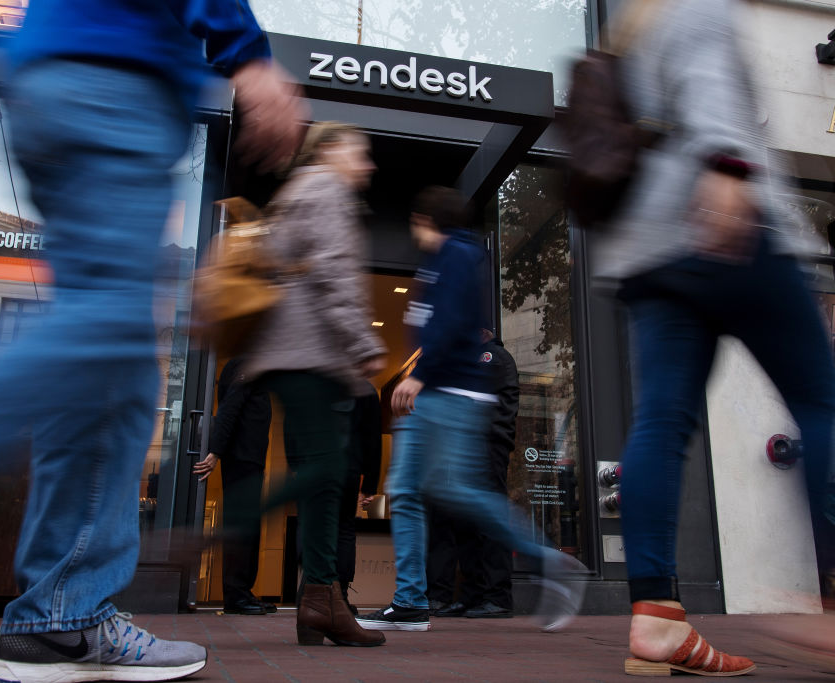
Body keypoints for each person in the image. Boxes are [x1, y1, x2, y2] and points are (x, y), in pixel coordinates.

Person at [0, 1, 306, 682]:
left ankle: (59, 618)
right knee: (104, 339)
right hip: (111, 86)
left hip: (67, 77)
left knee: (112, 376)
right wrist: (247, 53)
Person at [590, 0, 835, 675]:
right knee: (822, 401)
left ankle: (656, 619)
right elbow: (709, 85)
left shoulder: (630, 31)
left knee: (661, 423)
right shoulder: (696, 6)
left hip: (649, 251)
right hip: (728, 224)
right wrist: (728, 164)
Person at [356, 186, 585, 633]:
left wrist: (421, 374)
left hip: (449, 392)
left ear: (426, 219)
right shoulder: (442, 260)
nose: (413, 228)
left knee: (454, 492)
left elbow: (455, 322)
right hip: (445, 391)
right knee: (414, 491)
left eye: (416, 220)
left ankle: (548, 562)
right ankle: (410, 601)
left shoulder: (457, 255)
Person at [243, 121, 388, 647]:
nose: (367, 164)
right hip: (313, 359)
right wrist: (364, 343)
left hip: (294, 358)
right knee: (327, 474)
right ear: (329, 150)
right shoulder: (326, 187)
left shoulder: (296, 190)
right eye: (359, 152)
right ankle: (219, 530)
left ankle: (321, 604)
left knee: (323, 485)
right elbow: (333, 273)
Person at [427, 334, 519, 619]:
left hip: (486, 447)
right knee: (468, 524)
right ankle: (473, 596)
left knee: (489, 523)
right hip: (471, 448)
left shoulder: (491, 357)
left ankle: (497, 597)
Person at [192, 357, 274, 615]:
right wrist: (215, 451)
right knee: (241, 528)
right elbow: (230, 407)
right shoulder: (245, 365)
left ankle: (242, 592)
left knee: (248, 527)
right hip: (242, 457)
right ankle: (236, 596)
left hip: (249, 458)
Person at [335, 383, 384, 614]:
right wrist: (370, 484)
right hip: (348, 468)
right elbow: (372, 438)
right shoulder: (365, 388)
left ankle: (312, 592)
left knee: (313, 528)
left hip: (315, 466)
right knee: (345, 530)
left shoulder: (315, 378)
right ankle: (340, 597)